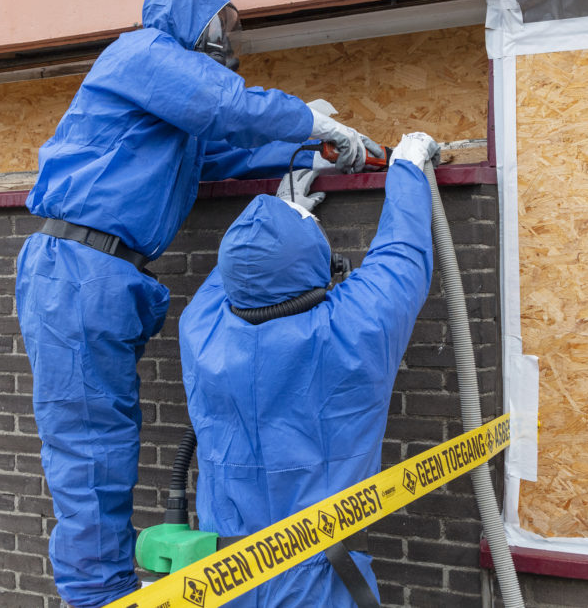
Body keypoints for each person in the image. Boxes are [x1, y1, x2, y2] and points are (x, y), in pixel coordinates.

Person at [15, 0, 377, 608]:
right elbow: (228, 106)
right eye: (224, 22)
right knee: (87, 442)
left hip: (106, 273)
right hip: (76, 267)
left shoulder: (167, 110)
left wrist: (308, 157)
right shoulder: (142, 53)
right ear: (189, 16)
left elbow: (226, 149)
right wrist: (308, 121)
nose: (230, 38)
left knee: (108, 433)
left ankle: (106, 585)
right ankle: (94, 596)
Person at [179, 132, 440, 607]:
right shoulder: (353, 329)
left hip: (223, 581)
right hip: (323, 585)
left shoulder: (200, 328)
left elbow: (240, 273)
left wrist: (277, 222)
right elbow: (403, 253)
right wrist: (407, 163)